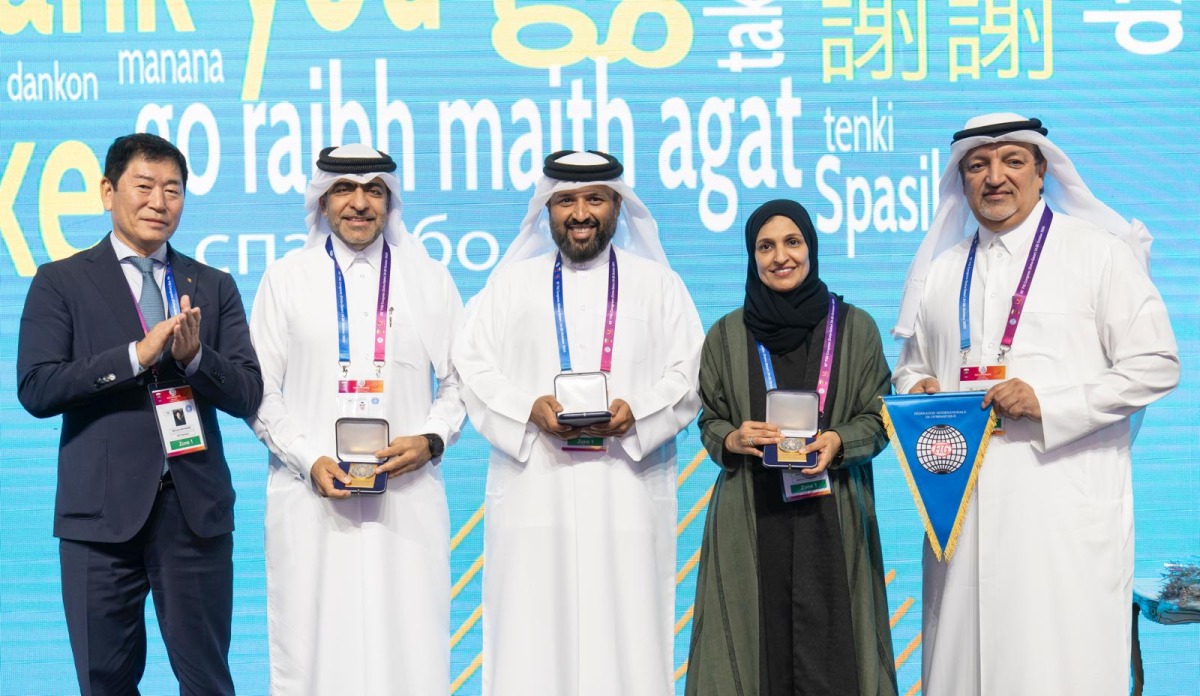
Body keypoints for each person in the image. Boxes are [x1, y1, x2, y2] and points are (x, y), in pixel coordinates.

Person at [892, 113, 1180, 695]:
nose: (994, 177)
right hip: (961, 514)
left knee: (1055, 665)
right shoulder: (944, 270)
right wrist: (916, 389)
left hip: (1059, 513)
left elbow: (1157, 364)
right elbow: (913, 367)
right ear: (962, 178)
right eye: (978, 165)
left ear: (1042, 170)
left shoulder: (1097, 253)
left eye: (1012, 161)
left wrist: (1048, 403)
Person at [16, 132, 262, 695]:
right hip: (98, 519)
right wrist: (136, 356)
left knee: (207, 680)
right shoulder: (61, 281)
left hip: (193, 511)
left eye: (173, 190)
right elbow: (37, 387)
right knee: (104, 682)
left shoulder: (214, 286)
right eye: (144, 186)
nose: (159, 202)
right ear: (107, 191)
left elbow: (248, 393)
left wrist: (195, 357)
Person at [453, 150, 704, 695]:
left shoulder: (658, 286)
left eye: (594, 199)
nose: (580, 212)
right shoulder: (510, 285)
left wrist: (639, 410)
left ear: (617, 205)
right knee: (531, 638)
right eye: (565, 200)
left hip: (627, 494)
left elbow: (691, 374)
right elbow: (471, 369)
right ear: (547, 209)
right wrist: (527, 409)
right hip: (533, 495)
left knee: (628, 637)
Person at [248, 144, 466, 695]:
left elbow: (463, 382)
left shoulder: (430, 279)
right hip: (312, 499)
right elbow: (259, 392)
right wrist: (308, 458)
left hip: (407, 499)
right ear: (322, 202)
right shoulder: (286, 278)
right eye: (344, 189)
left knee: (409, 649)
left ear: (390, 202)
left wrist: (432, 440)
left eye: (374, 190)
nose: (359, 203)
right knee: (314, 650)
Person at [685, 199, 897, 696]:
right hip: (750, 516)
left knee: (838, 654)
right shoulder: (726, 335)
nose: (780, 256)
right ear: (751, 256)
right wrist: (732, 439)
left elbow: (882, 415)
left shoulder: (856, 329)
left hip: (834, 512)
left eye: (792, 242)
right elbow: (708, 419)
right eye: (765, 246)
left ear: (811, 248)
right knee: (752, 653)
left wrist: (840, 440)